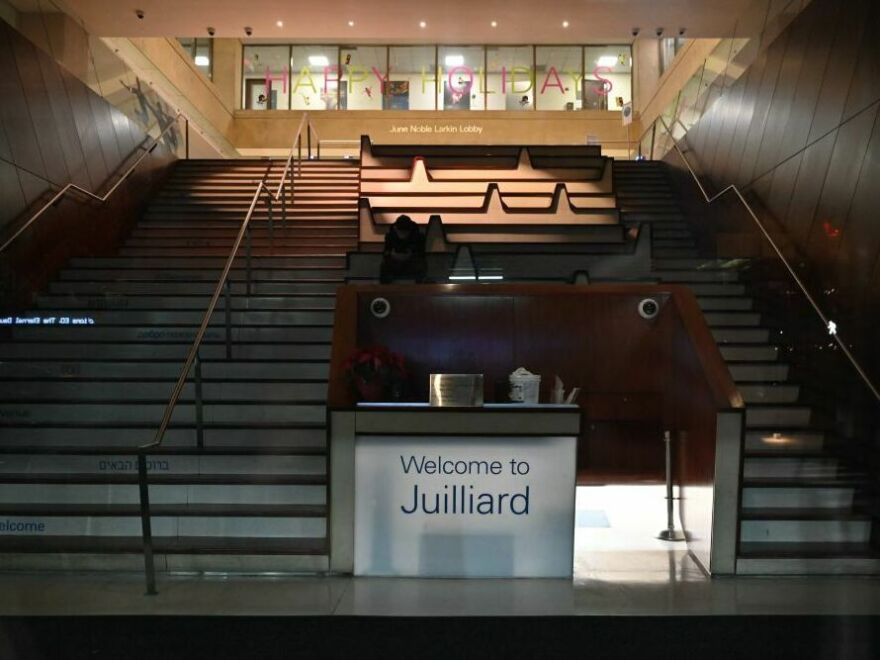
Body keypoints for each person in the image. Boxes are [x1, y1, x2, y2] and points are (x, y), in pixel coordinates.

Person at [380, 215, 426, 284]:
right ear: (395, 229)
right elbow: (385, 252)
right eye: (401, 232)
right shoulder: (390, 236)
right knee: (384, 266)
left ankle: (419, 290)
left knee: (421, 266)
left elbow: (422, 254)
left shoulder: (418, 236)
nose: (403, 235)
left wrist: (411, 255)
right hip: (394, 262)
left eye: (405, 232)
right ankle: (386, 290)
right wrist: (392, 255)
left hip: (412, 263)